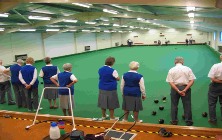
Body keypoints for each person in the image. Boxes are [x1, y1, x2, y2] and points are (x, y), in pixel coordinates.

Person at [166, 56, 196, 126]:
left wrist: (177, 90)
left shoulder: (171, 70)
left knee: (174, 105)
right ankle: (188, 121)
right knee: (187, 105)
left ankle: (174, 121)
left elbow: (170, 82)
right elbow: (192, 80)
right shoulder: (188, 69)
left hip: (174, 88)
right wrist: (185, 90)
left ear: (175, 62)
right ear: (182, 62)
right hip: (186, 88)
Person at [207, 55, 222, 124]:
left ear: (220, 58)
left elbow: (212, 78)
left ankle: (213, 120)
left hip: (215, 86)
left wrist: (219, 82)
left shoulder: (215, 66)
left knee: (212, 104)